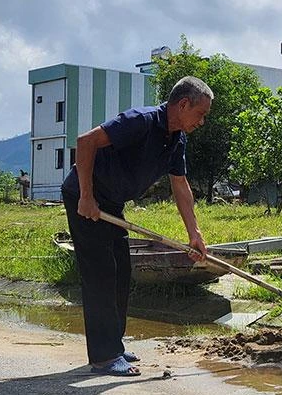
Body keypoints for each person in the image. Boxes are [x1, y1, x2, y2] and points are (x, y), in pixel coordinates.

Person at [61, 76, 212, 377]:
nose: (202, 122)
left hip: (111, 204)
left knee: (121, 270)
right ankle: (104, 357)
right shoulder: (140, 121)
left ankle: (113, 344)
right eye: (201, 114)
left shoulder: (176, 139)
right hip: (85, 197)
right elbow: (85, 142)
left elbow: (180, 186)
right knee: (101, 272)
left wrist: (194, 234)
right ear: (183, 104)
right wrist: (88, 197)